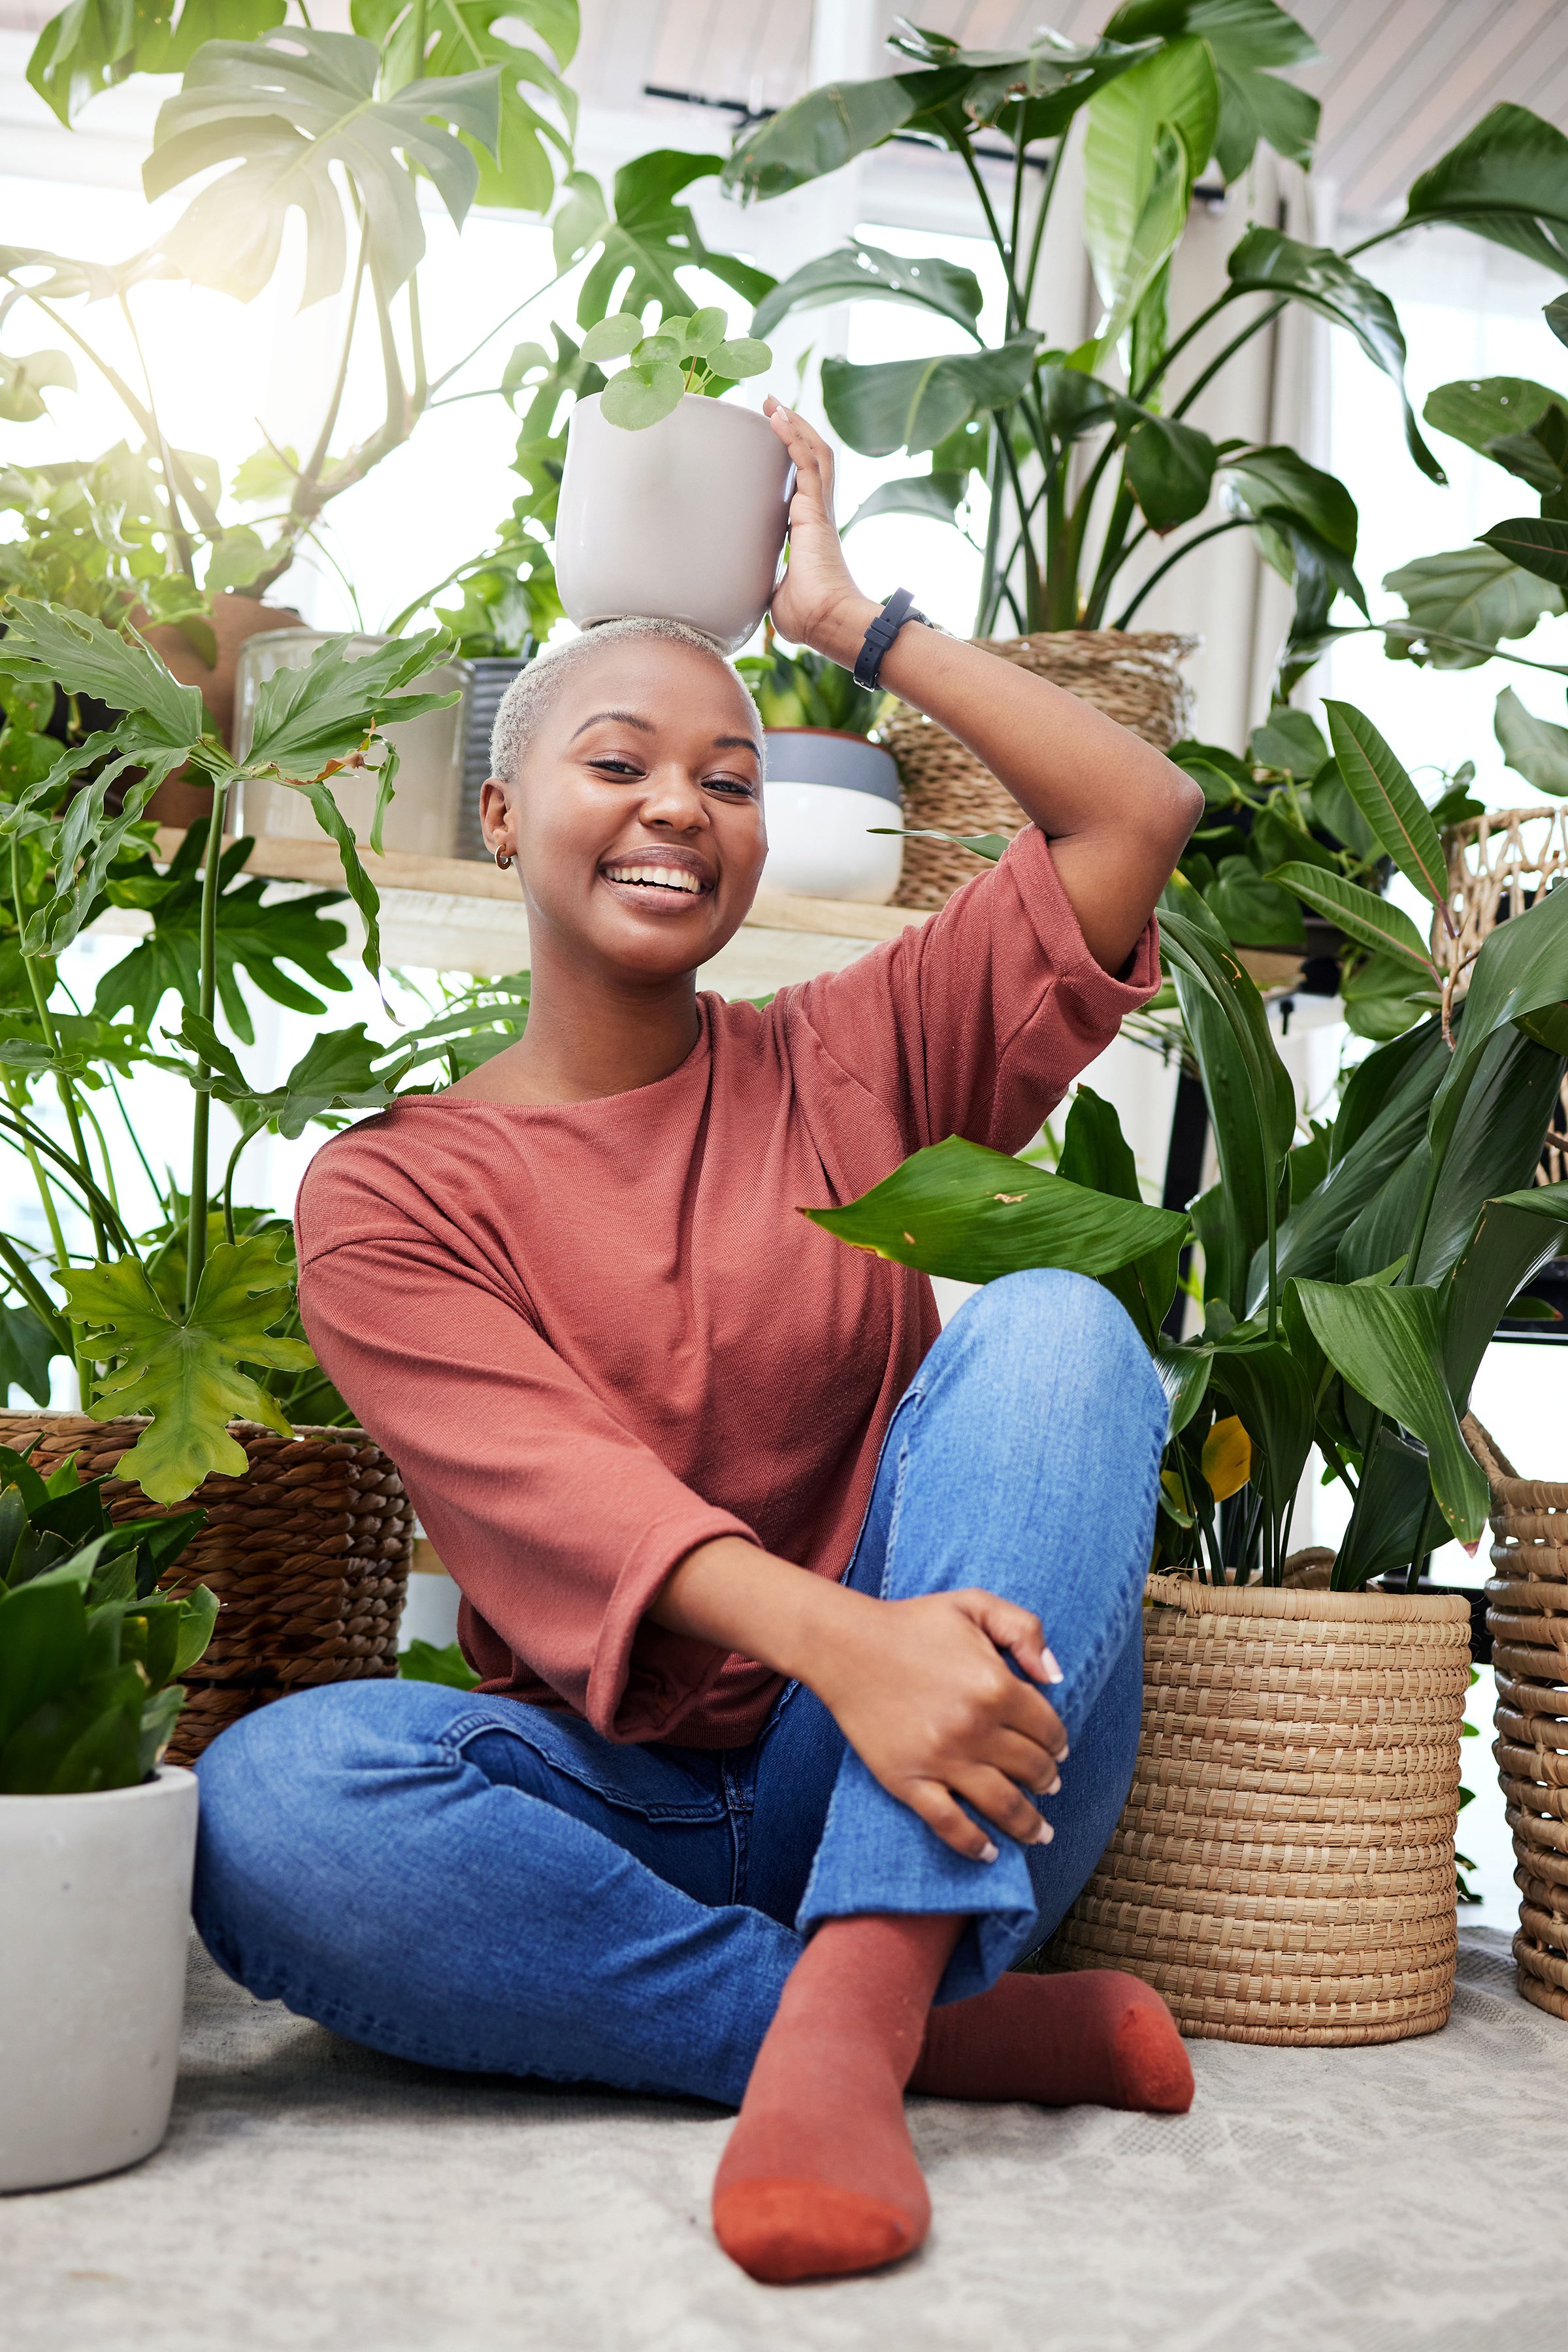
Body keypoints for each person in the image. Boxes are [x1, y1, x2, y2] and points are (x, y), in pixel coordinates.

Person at [192, 399, 1205, 2286]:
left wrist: (850, 624)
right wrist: (861, 1649)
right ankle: (915, 2025)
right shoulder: (389, 1194)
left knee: (1059, 1329)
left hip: (920, 1767)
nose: (681, 806)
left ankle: (855, 2003)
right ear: (503, 815)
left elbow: (1134, 812)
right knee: (270, 1810)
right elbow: (572, 1509)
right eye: (619, 762)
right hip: (616, 1813)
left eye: (731, 779)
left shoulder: (854, 1046)